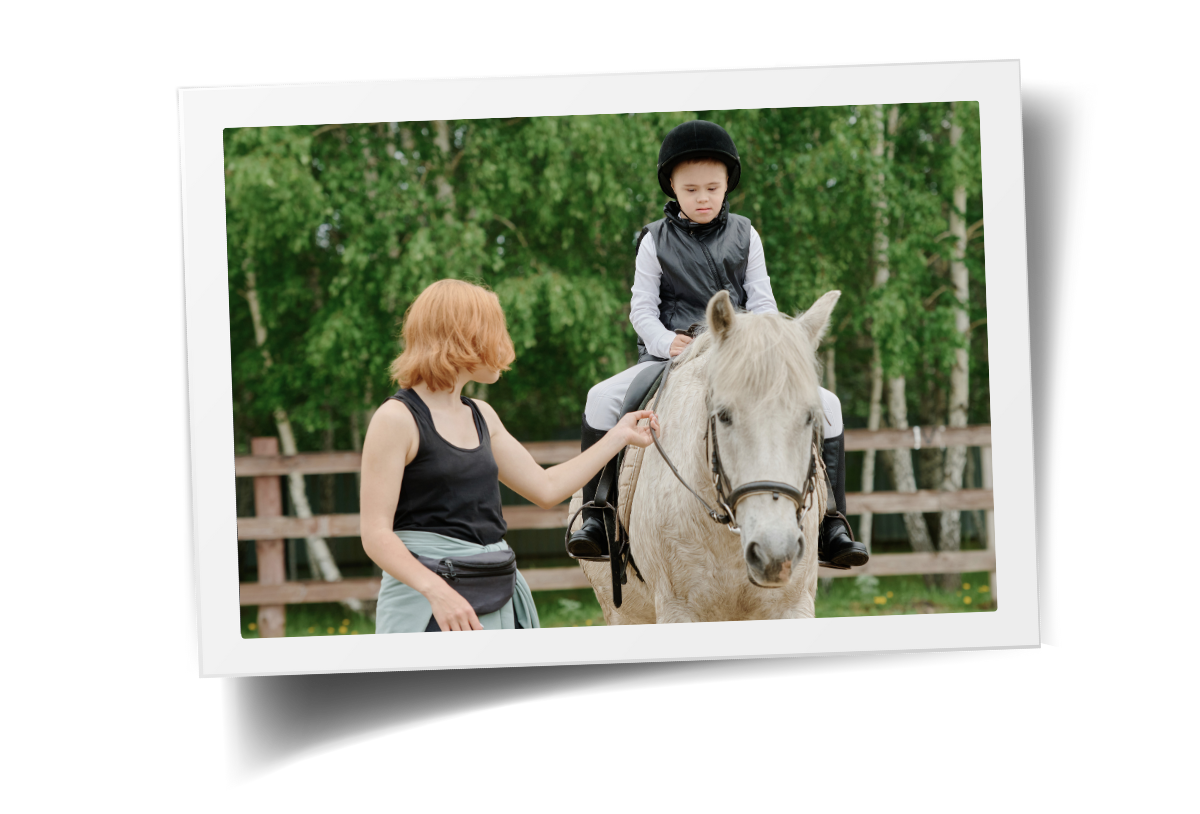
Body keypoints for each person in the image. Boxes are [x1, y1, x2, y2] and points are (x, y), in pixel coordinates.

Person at [565, 120, 869, 569]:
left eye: (712, 187)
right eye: (691, 190)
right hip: (670, 357)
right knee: (600, 399)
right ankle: (598, 514)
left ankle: (831, 522)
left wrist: (757, 345)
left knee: (829, 406)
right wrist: (667, 343)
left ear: (728, 184)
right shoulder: (653, 240)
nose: (703, 198)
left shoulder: (748, 234)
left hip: (739, 359)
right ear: (672, 186)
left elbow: (763, 303)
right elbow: (641, 309)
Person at [360, 279, 659, 633]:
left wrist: (618, 435)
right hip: (426, 605)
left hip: (496, 591)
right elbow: (375, 535)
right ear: (463, 336)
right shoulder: (395, 419)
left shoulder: (482, 415)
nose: (504, 347)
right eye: (494, 332)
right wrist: (438, 592)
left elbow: (546, 488)